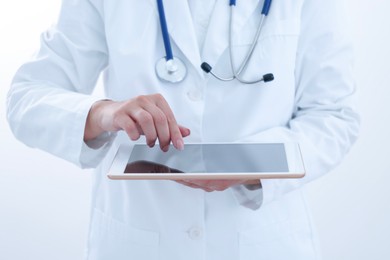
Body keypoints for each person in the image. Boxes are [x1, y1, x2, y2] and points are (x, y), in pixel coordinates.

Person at [7, 0, 359, 259]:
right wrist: (103, 113)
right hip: (137, 241)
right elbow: (26, 98)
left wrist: (249, 163)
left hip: (260, 243)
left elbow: (333, 115)